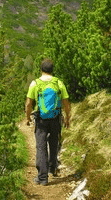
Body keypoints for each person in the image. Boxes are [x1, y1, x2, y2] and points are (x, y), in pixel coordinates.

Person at [25, 58, 71, 186]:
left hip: (41, 119)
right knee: (54, 143)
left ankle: (42, 178)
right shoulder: (59, 83)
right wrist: (67, 118)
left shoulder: (35, 83)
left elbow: (29, 103)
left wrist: (28, 117)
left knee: (41, 147)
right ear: (52, 70)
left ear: (41, 70)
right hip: (56, 118)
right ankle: (52, 168)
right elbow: (66, 103)